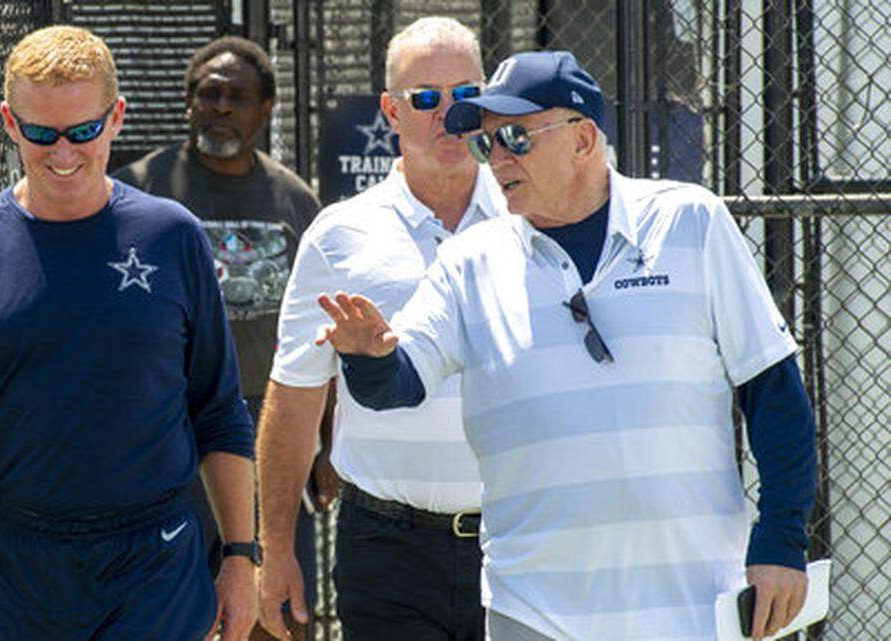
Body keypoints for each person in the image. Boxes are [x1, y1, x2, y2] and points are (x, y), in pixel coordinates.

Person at [314, 50, 818, 641]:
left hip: (692, 605)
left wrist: (782, 539)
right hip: (535, 613)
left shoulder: (691, 223)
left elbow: (774, 392)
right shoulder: (468, 264)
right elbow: (399, 384)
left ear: (582, 140)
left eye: (516, 138)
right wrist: (368, 357)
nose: (496, 159)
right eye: (487, 143)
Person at [0, 26, 259, 641]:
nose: (63, 153)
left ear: (116, 118)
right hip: (10, 567)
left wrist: (241, 556)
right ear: (8, 122)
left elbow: (218, 411)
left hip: (152, 561)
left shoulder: (172, 237)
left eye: (82, 131)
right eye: (39, 133)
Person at [257, 17, 502, 641]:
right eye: (425, 99)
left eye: (465, 96)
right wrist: (276, 551)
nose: (448, 114)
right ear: (391, 112)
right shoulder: (340, 236)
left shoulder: (529, 219)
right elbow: (294, 395)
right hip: (386, 552)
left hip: (518, 542)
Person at [111, 35, 336, 641]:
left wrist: (330, 440)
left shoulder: (294, 200)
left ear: (266, 110)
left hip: (268, 430)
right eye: (208, 95)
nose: (220, 108)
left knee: (271, 607)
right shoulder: (138, 190)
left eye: (237, 97)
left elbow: (324, 328)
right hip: (166, 433)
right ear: (188, 103)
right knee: (171, 608)